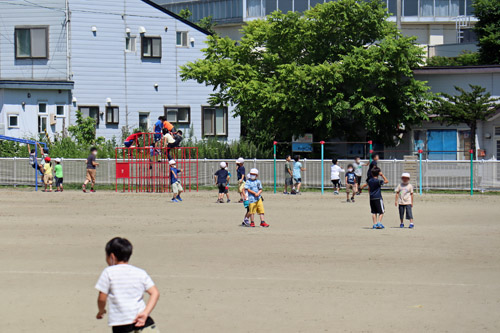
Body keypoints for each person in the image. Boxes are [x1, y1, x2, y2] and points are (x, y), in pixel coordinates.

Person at [95, 237, 160, 333]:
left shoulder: (108, 272)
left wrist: (101, 310)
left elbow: (102, 298)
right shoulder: (140, 272)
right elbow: (155, 293)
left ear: (112, 257)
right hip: (143, 322)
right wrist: (145, 313)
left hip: (121, 325)